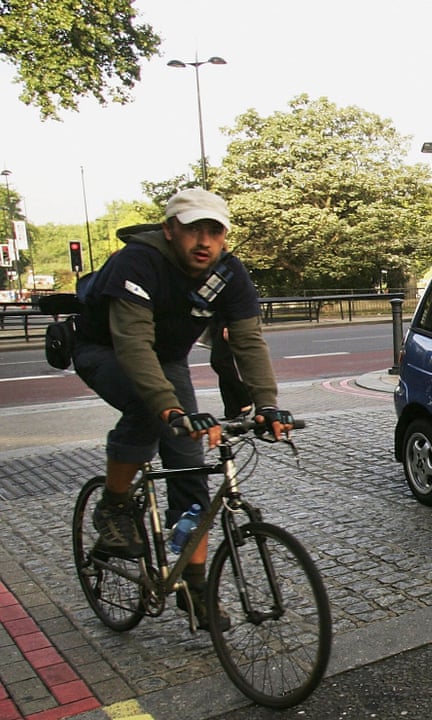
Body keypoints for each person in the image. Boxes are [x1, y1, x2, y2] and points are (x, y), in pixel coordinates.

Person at [72, 188, 293, 631]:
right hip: (104, 348)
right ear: (170, 229)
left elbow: (248, 341)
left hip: (167, 359)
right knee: (149, 409)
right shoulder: (139, 261)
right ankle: (114, 506)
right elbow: (133, 344)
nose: (204, 241)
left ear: (225, 237)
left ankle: (194, 590)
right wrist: (170, 410)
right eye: (194, 230)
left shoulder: (229, 273)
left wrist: (268, 404)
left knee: (190, 465)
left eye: (215, 231)